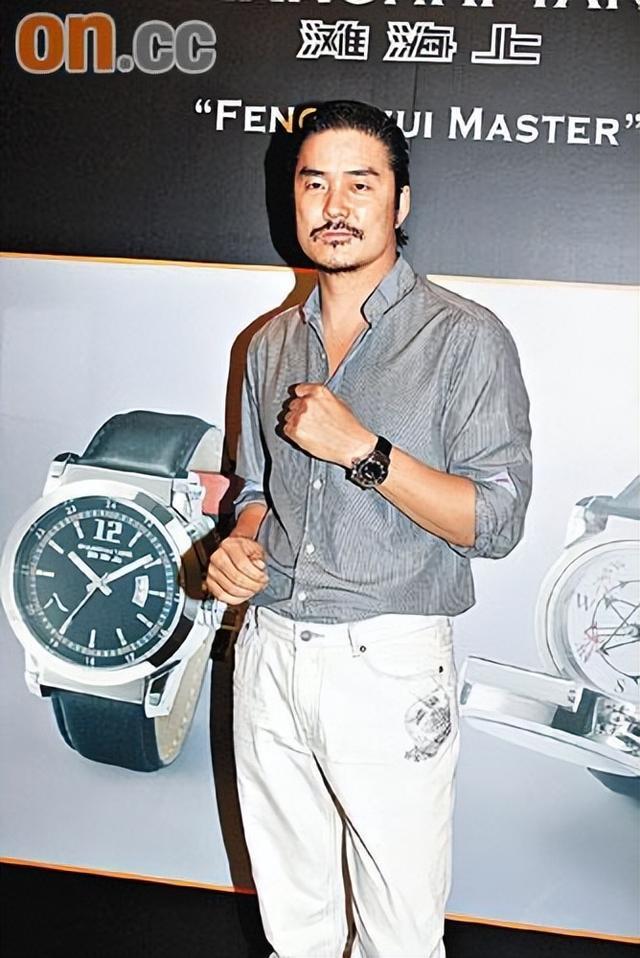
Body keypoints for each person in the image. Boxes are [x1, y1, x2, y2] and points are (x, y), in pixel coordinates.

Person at [207, 100, 532, 958]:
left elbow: (496, 522)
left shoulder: (463, 338)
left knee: (399, 937)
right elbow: (257, 492)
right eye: (315, 184)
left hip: (385, 662)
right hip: (270, 648)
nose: (335, 206)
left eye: (361, 183)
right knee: (295, 927)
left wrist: (364, 450)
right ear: (293, 199)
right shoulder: (269, 344)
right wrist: (241, 542)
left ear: (401, 201)